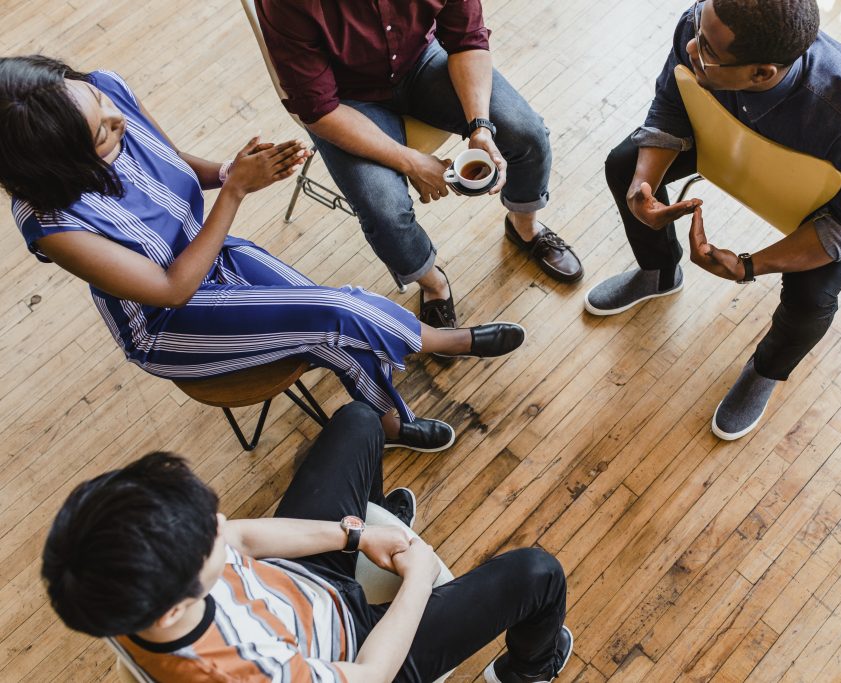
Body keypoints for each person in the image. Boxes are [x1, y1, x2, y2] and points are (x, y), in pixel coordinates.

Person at [0, 55, 530, 453]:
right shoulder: (54, 225)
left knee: (329, 321)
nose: (117, 117)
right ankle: (440, 340)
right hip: (168, 320)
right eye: (103, 133)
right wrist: (234, 194)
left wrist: (231, 172)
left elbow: (175, 161)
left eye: (104, 104)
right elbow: (172, 290)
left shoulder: (102, 91)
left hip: (216, 255)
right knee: (338, 310)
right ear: (61, 162)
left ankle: (390, 420)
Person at [41, 401, 574, 683]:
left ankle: (380, 514)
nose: (220, 523)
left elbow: (244, 537)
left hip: (305, 589)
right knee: (538, 574)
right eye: (209, 537)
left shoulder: (114, 575)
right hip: (358, 650)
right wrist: (415, 579)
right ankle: (529, 669)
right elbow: (368, 676)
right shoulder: (241, 672)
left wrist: (358, 534)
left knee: (359, 421)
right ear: (175, 607)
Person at [586, 0, 841, 440]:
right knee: (624, 164)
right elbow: (672, 101)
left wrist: (747, 265)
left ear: (762, 74)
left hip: (820, 200)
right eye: (699, 27)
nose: (692, 44)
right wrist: (643, 187)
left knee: (813, 297)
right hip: (728, 135)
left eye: (709, 51)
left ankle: (767, 369)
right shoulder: (703, 30)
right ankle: (659, 273)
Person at [254, 0, 584, 331]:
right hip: (346, 100)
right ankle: (433, 285)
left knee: (528, 133)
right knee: (384, 210)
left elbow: (467, 38)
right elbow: (318, 109)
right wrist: (412, 162)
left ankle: (524, 227)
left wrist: (480, 126)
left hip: (421, 59)